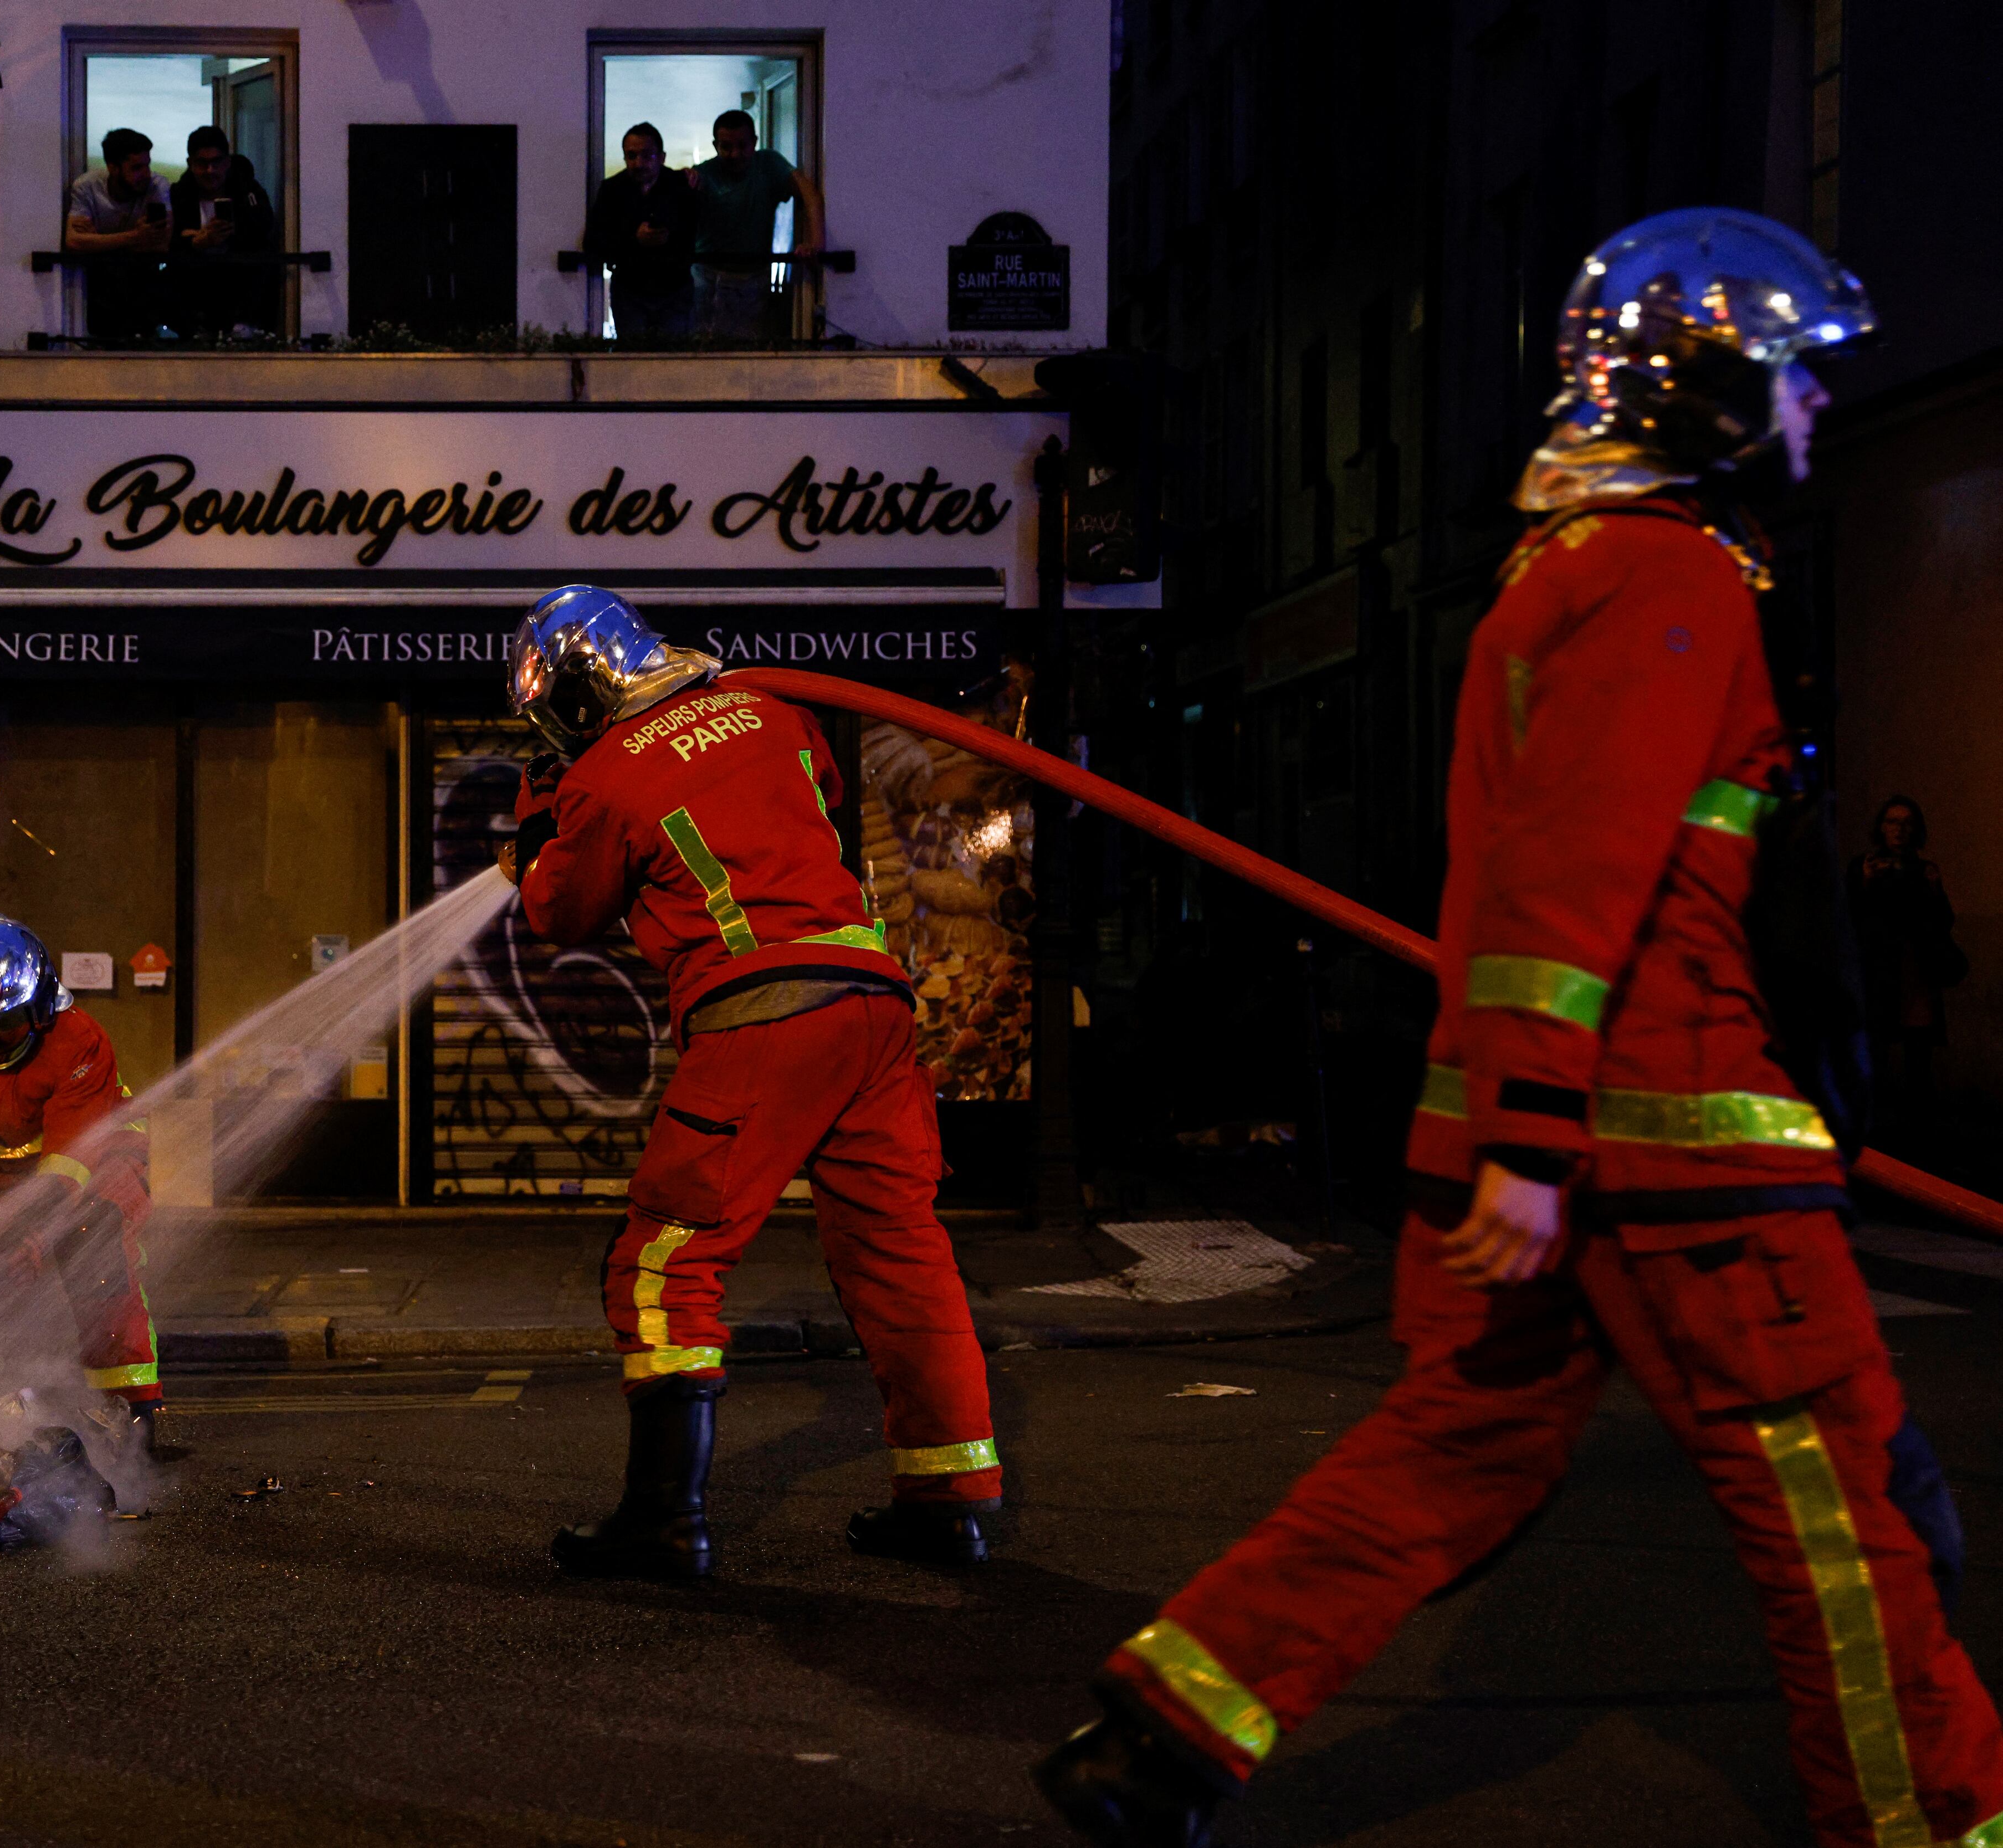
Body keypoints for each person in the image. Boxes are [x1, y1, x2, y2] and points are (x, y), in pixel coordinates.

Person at [1034, 209, 2003, 1848]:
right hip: (1679, 1154)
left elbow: (1527, 882)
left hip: (1572, 1137)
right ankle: (1925, 1823)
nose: (1813, 411)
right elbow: (1575, 872)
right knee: (1842, 1518)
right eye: (1785, 377)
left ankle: (1160, 1732)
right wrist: (1542, 1140)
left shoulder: (1561, 574)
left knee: (1452, 1456)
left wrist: (1516, 1131)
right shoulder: (1665, 572)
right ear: (1697, 392)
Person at [497, 585, 1001, 1579]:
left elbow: (563, 910)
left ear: (575, 693)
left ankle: (664, 1522)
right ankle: (951, 1502)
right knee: (900, 1249)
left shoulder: (606, 777)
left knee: (664, 1264)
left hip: (767, 1014)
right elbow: (807, 799)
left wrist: (531, 835)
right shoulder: (778, 713)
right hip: (874, 1003)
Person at [0, 914, 167, 1455]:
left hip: (100, 1156)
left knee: (98, 1261)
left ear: (37, 1005)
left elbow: (74, 1149)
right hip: (11, 1167)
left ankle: (131, 1407)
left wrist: (34, 1221)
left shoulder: (78, 1040)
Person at [1851, 795, 1966, 1128]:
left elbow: (1942, 922)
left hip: (1916, 971)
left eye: (1906, 823)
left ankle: (1918, 1127)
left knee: (1919, 1054)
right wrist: (1866, 883)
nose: (1899, 830)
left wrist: (1933, 889)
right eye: (1892, 822)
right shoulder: (1865, 866)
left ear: (1915, 829)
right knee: (1877, 1051)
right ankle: (1877, 1129)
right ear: (1881, 827)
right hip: (1879, 973)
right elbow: (1850, 917)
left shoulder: (1924, 870)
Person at [690, 110, 823, 343]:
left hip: (752, 277)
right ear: (715, 146)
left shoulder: (768, 163)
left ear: (754, 142)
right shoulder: (703, 174)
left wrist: (816, 244)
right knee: (702, 348)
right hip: (707, 275)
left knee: (748, 350)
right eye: (727, 147)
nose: (735, 154)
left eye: (742, 145)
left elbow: (809, 193)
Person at [584, 122, 699, 339]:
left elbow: (695, 232)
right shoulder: (612, 190)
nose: (639, 163)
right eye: (632, 156)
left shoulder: (680, 186)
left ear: (662, 157)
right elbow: (594, 241)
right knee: (639, 359)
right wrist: (634, 239)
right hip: (632, 290)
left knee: (664, 359)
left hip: (671, 288)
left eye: (647, 156)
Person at [170, 125, 280, 339]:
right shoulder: (179, 195)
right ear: (190, 164)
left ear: (228, 162)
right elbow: (168, 240)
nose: (210, 171)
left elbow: (264, 230)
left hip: (240, 292)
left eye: (217, 162)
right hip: (193, 293)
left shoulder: (249, 191)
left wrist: (215, 235)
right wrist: (197, 242)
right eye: (202, 163)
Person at [64, 127, 170, 345]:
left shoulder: (157, 186)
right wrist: (136, 236)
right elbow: (74, 242)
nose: (147, 174)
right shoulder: (87, 187)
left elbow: (162, 245)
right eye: (137, 167)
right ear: (113, 168)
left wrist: (99, 242)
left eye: (148, 165)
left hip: (144, 293)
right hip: (98, 297)